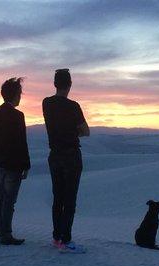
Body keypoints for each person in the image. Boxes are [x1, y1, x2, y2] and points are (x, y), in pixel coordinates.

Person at [42, 68, 90, 253]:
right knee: (69, 200)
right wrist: (72, 131)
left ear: (55, 84)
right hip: (71, 156)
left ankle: (56, 237)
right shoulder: (73, 106)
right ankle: (66, 239)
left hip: (54, 155)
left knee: (58, 197)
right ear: (70, 84)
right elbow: (86, 132)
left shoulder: (46, 103)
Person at [0, 78, 30, 245]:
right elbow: (22, 141)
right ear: (15, 95)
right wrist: (26, 165)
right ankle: (6, 234)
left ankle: (0, 231)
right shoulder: (17, 115)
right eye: (20, 94)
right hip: (13, 165)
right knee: (9, 201)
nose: (20, 97)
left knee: (0, 198)